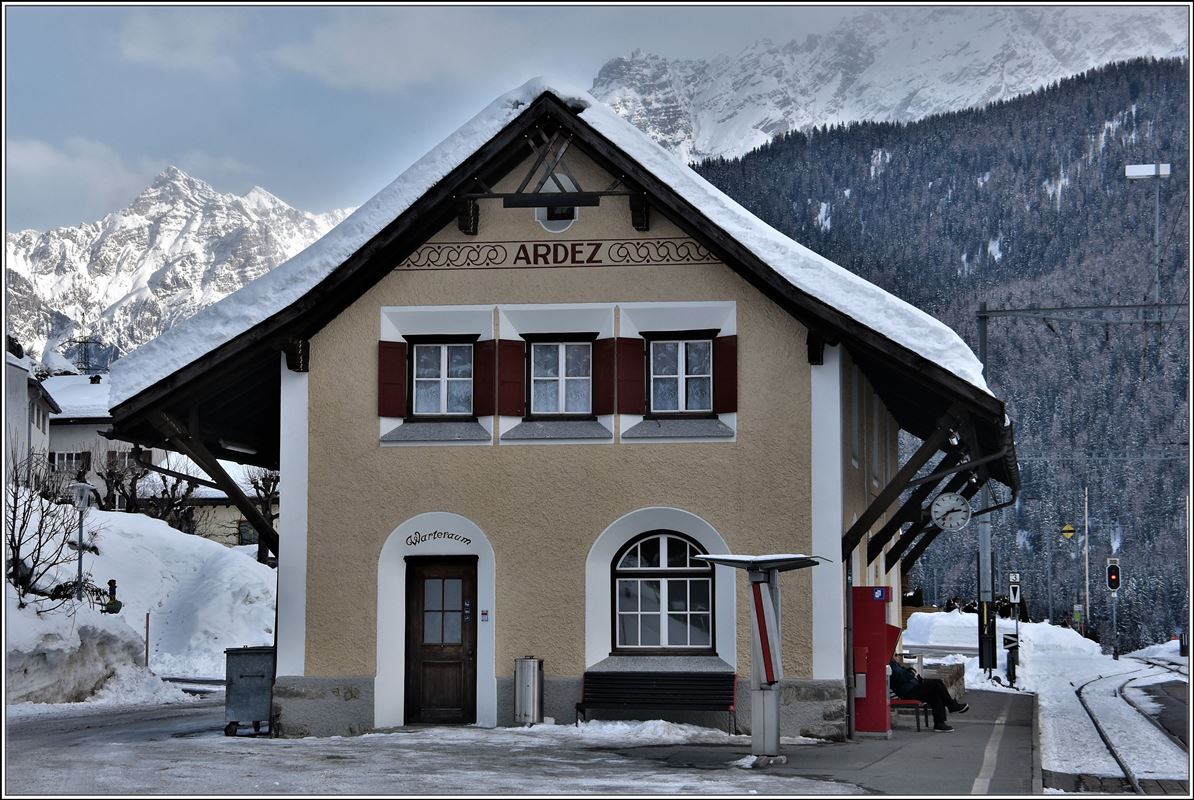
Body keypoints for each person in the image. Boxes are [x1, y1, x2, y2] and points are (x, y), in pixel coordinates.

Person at [890, 658, 968, 732]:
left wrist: (910, 672)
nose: (895, 656)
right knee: (936, 684)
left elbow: (904, 672)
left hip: (914, 688)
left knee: (935, 694)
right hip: (909, 692)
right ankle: (951, 705)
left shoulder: (894, 663)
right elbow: (901, 676)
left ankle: (939, 724)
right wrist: (911, 673)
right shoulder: (890, 665)